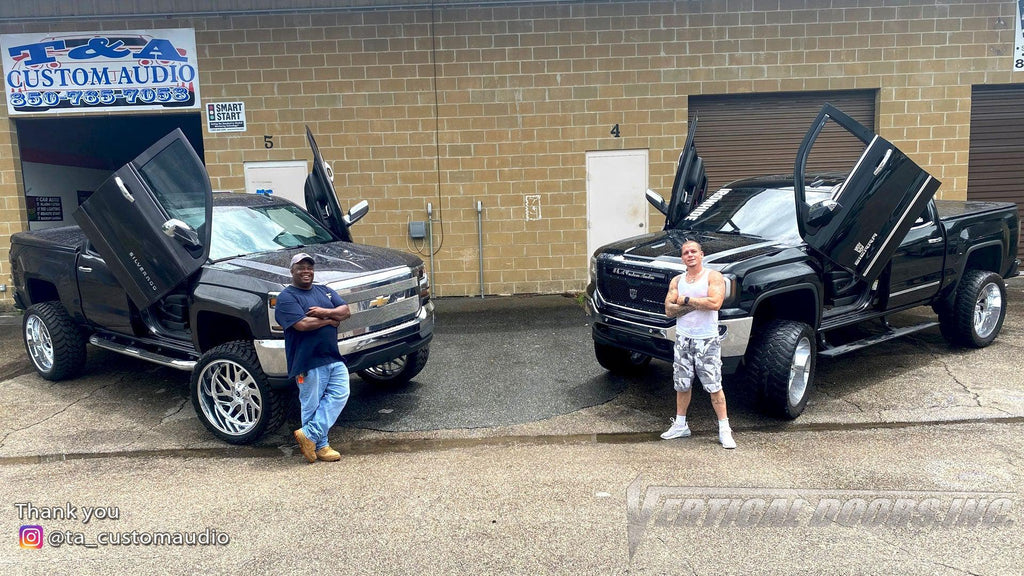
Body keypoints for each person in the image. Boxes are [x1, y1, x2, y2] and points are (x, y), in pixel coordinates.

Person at [274, 252, 352, 463]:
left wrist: (323, 312)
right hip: (307, 359)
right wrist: (330, 319)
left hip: (332, 356)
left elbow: (345, 311)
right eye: (300, 267)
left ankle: (309, 434)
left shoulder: (324, 291)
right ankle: (321, 446)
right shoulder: (286, 297)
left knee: (340, 393)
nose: (306, 271)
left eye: (309, 267)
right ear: (292, 271)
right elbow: (302, 324)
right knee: (311, 404)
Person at [661, 239, 736, 449]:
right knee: (682, 383)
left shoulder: (713, 276)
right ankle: (681, 424)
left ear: (701, 254)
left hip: (707, 340)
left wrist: (684, 301)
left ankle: (724, 429)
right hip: (683, 338)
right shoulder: (677, 280)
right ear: (682, 258)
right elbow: (668, 310)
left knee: (714, 384)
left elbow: (715, 303)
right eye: (686, 253)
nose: (690, 255)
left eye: (694, 251)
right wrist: (696, 302)